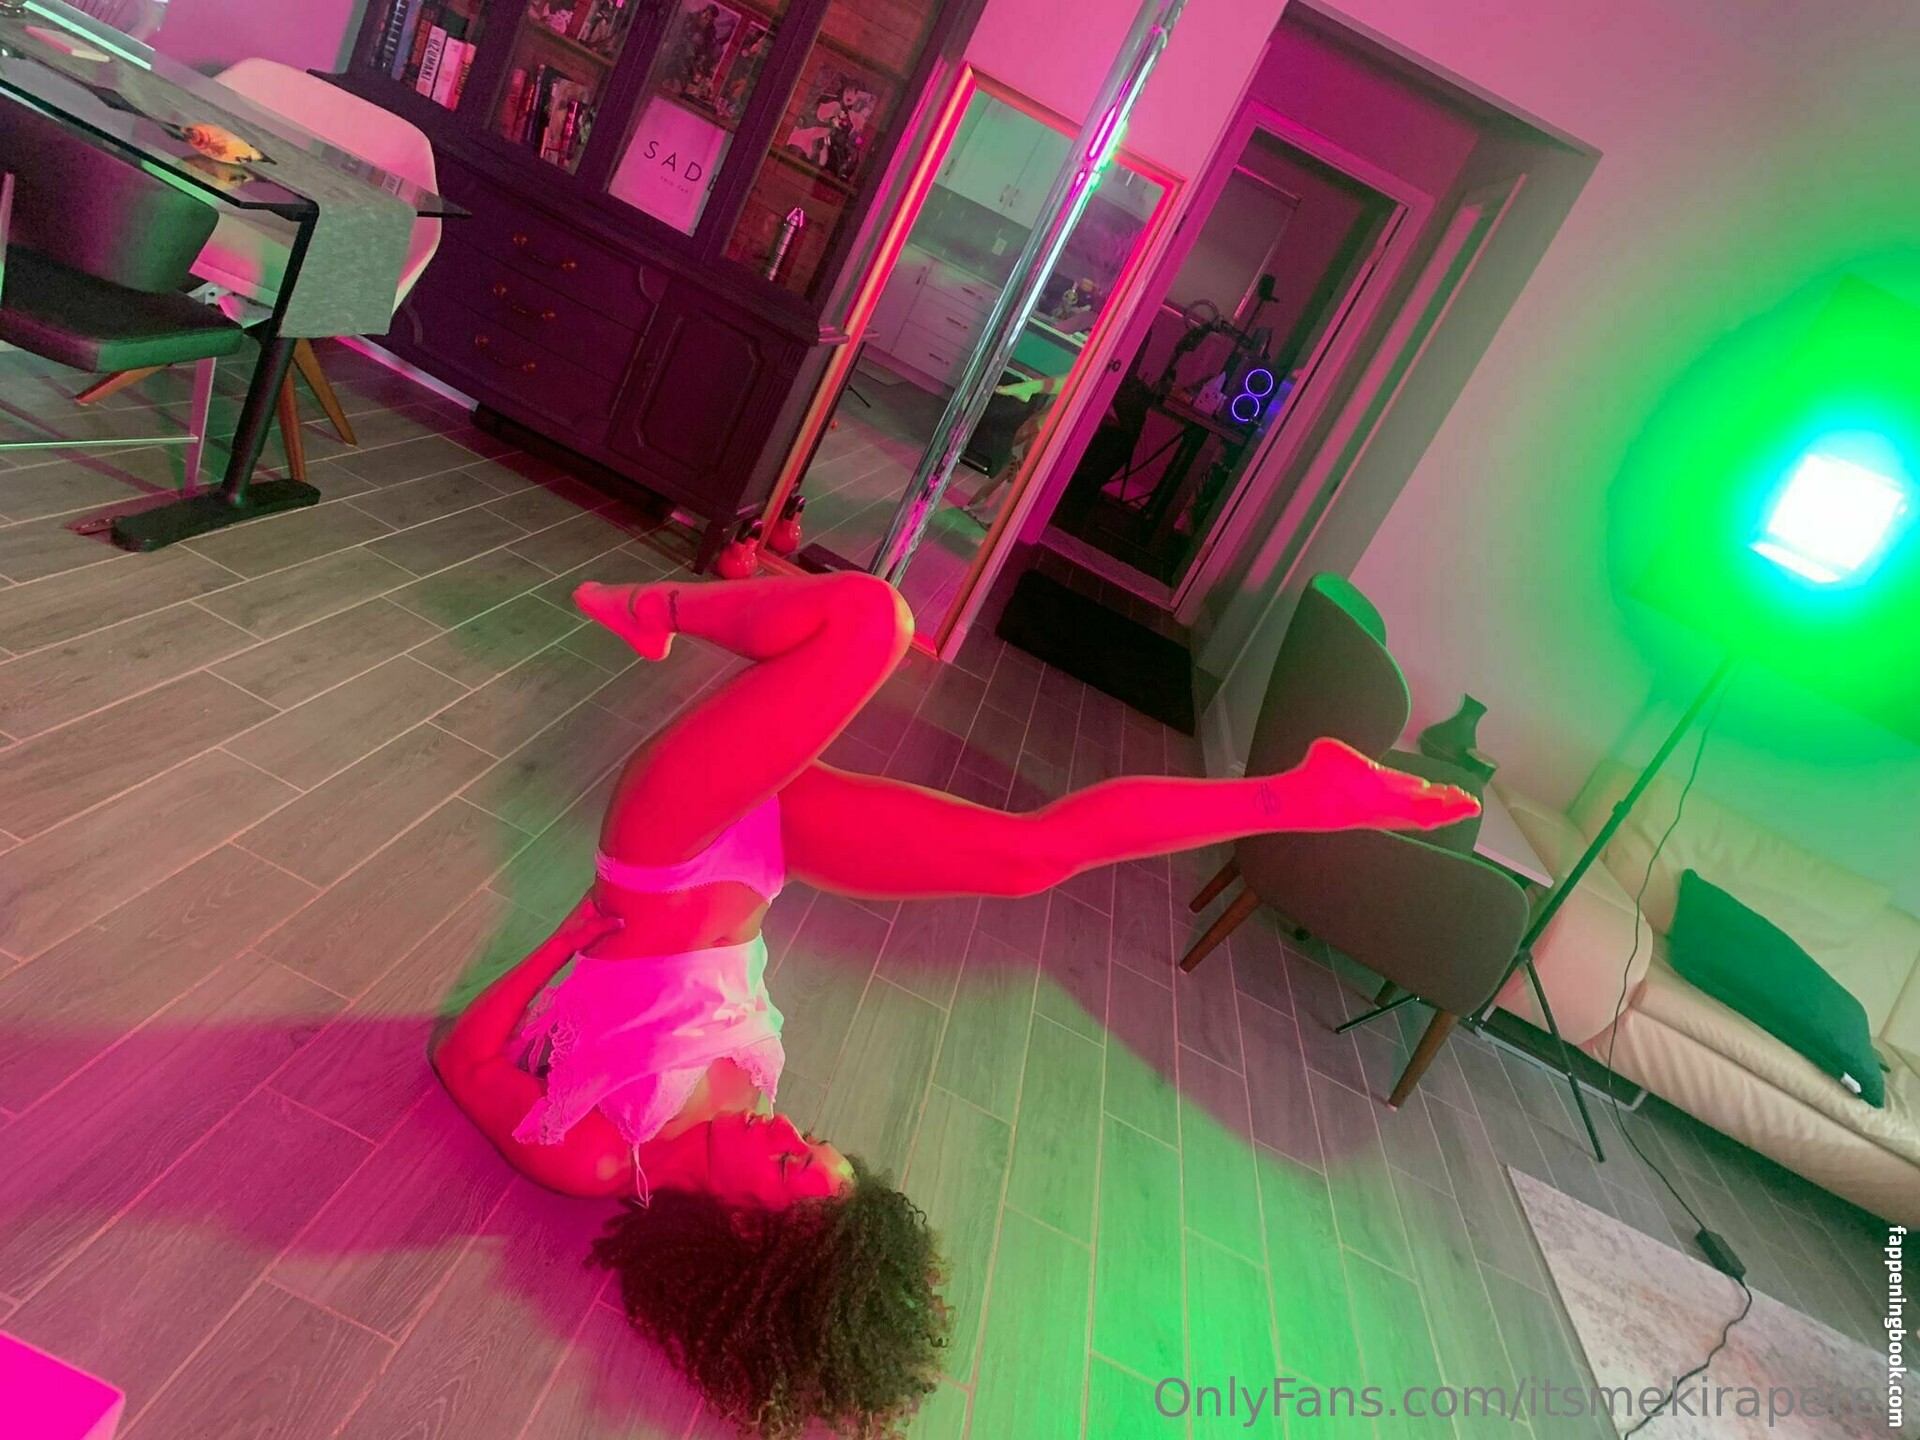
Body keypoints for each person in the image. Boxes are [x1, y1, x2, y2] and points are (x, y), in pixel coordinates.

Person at [433, 571, 1476, 1439]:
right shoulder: (752, 1116)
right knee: (1029, 857)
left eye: (791, 1164)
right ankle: (1298, 798)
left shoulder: (603, 1158)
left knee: (868, 624)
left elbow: (463, 1062)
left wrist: (561, 943)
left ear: (749, 1233)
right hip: (761, 859)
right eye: (814, 1147)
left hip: (663, 850)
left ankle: (647, 605)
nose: (792, 1132)